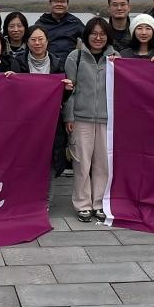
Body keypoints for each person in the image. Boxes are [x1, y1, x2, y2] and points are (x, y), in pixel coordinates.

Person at [64, 18, 119, 223]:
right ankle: (83, 204)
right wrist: (69, 116)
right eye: (94, 33)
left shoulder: (115, 58)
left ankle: (99, 203)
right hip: (80, 118)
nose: (98, 38)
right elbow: (69, 90)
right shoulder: (75, 56)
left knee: (103, 164)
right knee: (81, 163)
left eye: (102, 34)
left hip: (107, 120)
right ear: (86, 35)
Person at [16, 25, 72, 177]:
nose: (37, 43)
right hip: (25, 121)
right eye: (33, 40)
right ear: (27, 42)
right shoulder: (18, 63)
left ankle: (48, 192)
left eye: (40, 39)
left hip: (51, 121)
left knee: (50, 161)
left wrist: (67, 90)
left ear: (47, 41)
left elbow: (62, 98)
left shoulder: (58, 63)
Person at [36, 0, 85, 66]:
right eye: (56, 1)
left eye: (62, 1)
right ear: (50, 4)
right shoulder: (41, 23)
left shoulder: (75, 22)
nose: (59, 4)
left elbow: (89, 38)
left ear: (67, 5)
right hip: (46, 65)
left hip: (69, 65)